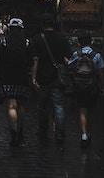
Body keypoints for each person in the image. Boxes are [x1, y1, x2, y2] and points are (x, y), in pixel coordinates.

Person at [30, 15, 71, 144]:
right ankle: (60, 133)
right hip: (58, 77)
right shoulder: (62, 38)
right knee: (58, 106)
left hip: (43, 77)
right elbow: (67, 59)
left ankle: (43, 130)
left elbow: (35, 61)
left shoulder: (37, 39)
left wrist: (33, 78)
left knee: (43, 106)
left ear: (43, 25)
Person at [0, 18, 32, 146]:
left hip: (8, 76)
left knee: (11, 105)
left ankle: (14, 132)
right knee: (21, 105)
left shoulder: (4, 41)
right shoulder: (26, 42)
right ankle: (21, 132)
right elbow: (30, 60)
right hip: (22, 76)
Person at [68, 35, 104, 147]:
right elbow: (101, 73)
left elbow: (70, 67)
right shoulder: (97, 55)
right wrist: (102, 87)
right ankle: (89, 132)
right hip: (92, 86)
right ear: (91, 42)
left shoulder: (76, 54)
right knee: (92, 111)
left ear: (79, 43)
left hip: (79, 86)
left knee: (82, 110)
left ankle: (83, 134)